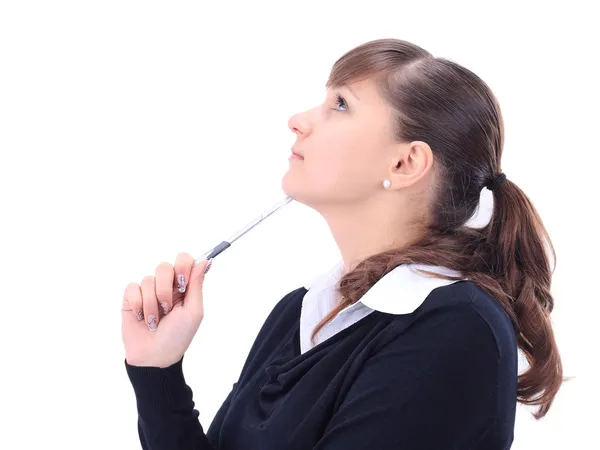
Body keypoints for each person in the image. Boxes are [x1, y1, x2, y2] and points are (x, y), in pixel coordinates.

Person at [121, 38, 564, 449]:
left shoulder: (455, 328)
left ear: (406, 162)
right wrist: (156, 371)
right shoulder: (298, 313)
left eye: (340, 104)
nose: (297, 121)